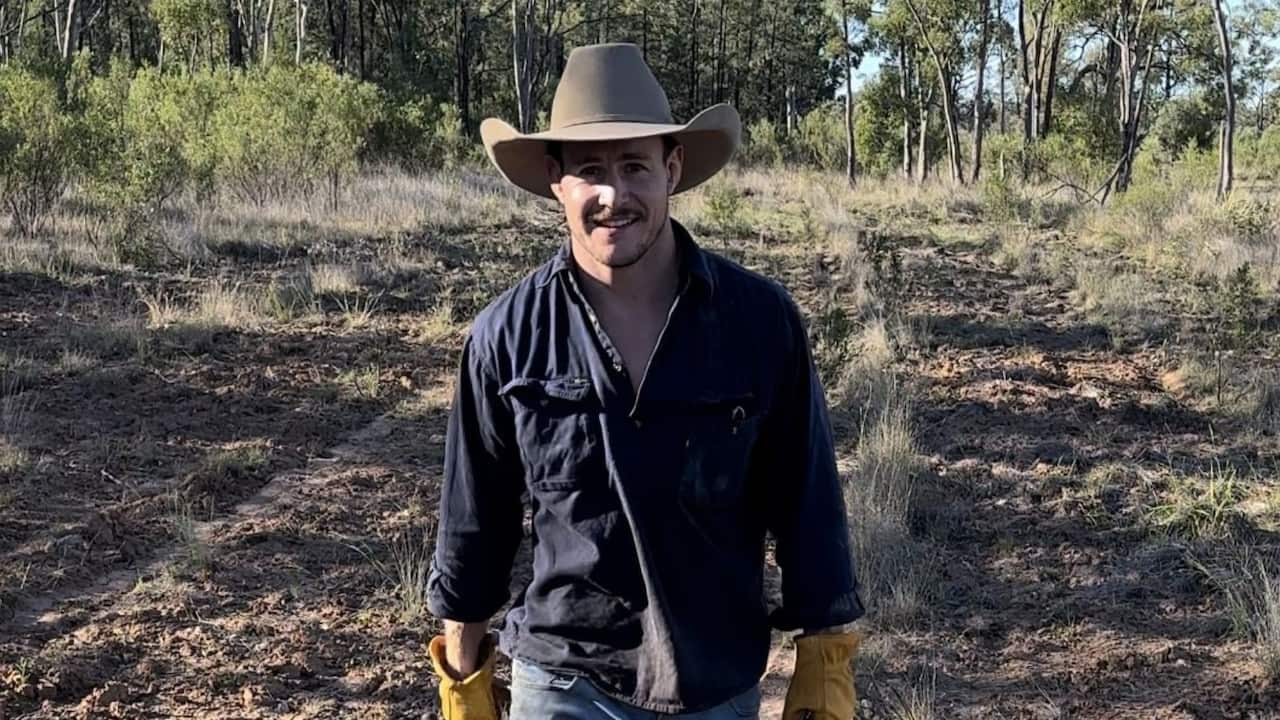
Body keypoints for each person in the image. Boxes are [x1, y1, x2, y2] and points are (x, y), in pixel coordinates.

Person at [425, 42, 864, 719]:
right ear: (556, 179)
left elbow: (808, 508)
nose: (614, 196)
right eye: (590, 170)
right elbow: (472, 531)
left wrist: (824, 663)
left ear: (672, 168)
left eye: (635, 166)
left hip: (715, 684)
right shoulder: (506, 337)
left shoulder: (758, 322)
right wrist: (463, 687)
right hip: (563, 684)